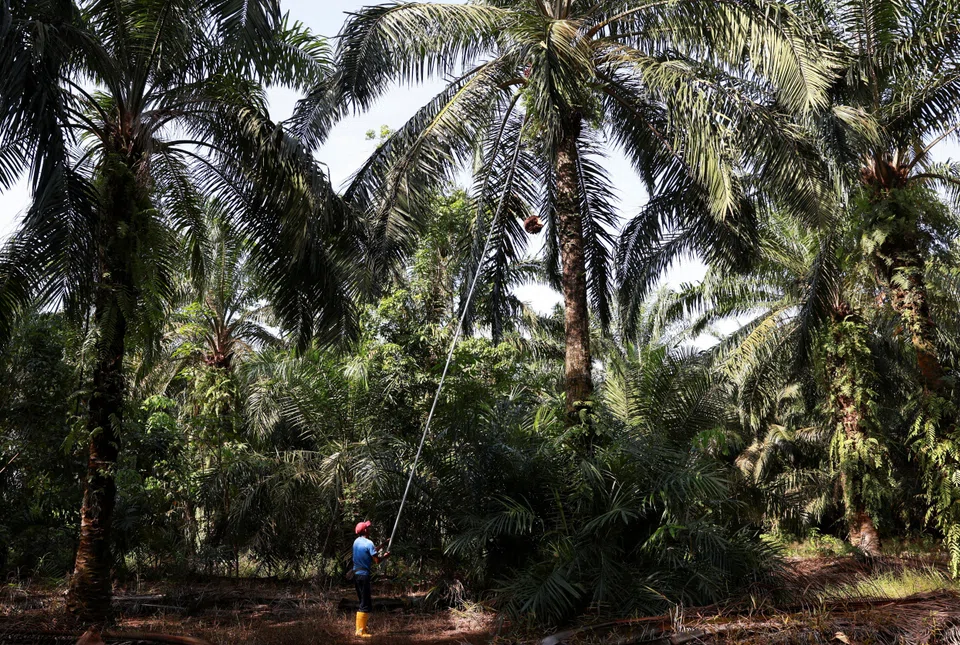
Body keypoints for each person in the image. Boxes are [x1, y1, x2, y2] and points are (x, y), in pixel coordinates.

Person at [352, 520, 389, 638]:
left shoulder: (356, 542)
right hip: (364, 575)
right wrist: (385, 557)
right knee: (365, 603)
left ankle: (362, 627)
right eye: (368, 528)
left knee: (362, 601)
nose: (369, 529)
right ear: (365, 530)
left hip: (356, 574)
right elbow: (376, 560)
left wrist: (383, 544)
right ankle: (360, 631)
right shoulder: (369, 543)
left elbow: (370, 551)